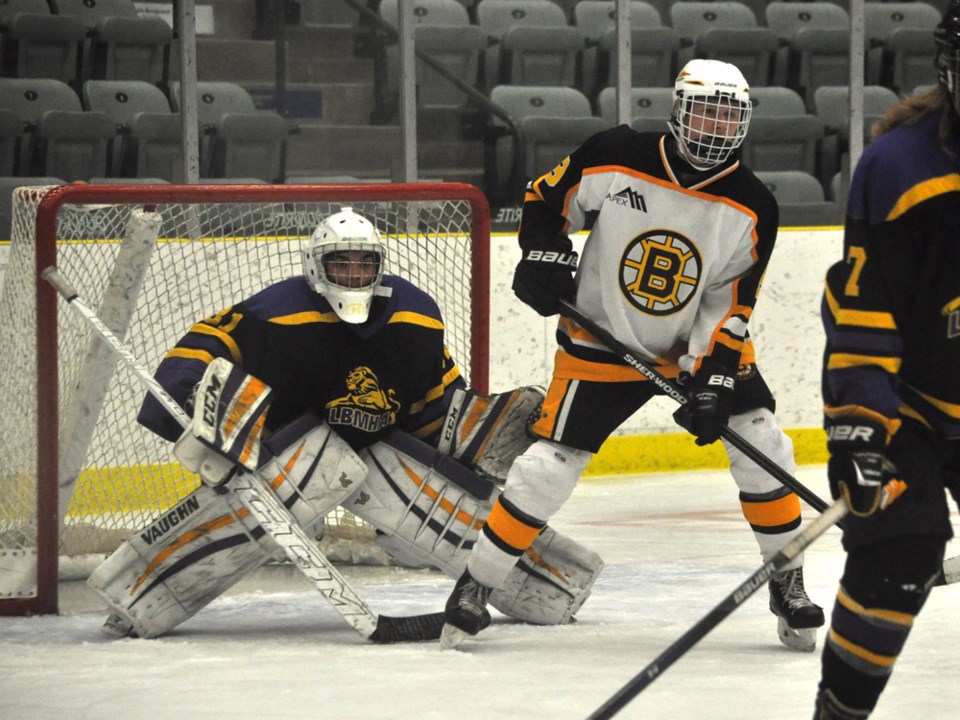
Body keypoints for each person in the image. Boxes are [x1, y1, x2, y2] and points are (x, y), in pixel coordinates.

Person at [441, 58, 825, 650]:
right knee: (545, 470)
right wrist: (541, 256)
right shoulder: (616, 154)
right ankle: (478, 584)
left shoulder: (752, 205)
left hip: (688, 351)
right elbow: (545, 201)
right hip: (599, 340)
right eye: (706, 111)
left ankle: (787, 579)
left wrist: (715, 378)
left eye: (730, 116)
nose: (717, 127)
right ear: (678, 108)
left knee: (764, 441)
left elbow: (730, 305)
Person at [92, 206, 603, 639]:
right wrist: (193, 407)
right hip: (285, 455)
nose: (355, 276)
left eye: (365, 265)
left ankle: (555, 586)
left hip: (382, 448)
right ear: (318, 266)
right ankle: (136, 593)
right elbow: (201, 349)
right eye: (343, 264)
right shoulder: (276, 313)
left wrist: (475, 431)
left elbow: (434, 403)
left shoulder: (415, 316)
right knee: (320, 462)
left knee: (400, 479)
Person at [811, 5, 960, 718]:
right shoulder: (900, 169)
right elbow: (865, 322)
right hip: (909, 399)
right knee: (900, 551)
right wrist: (860, 431)